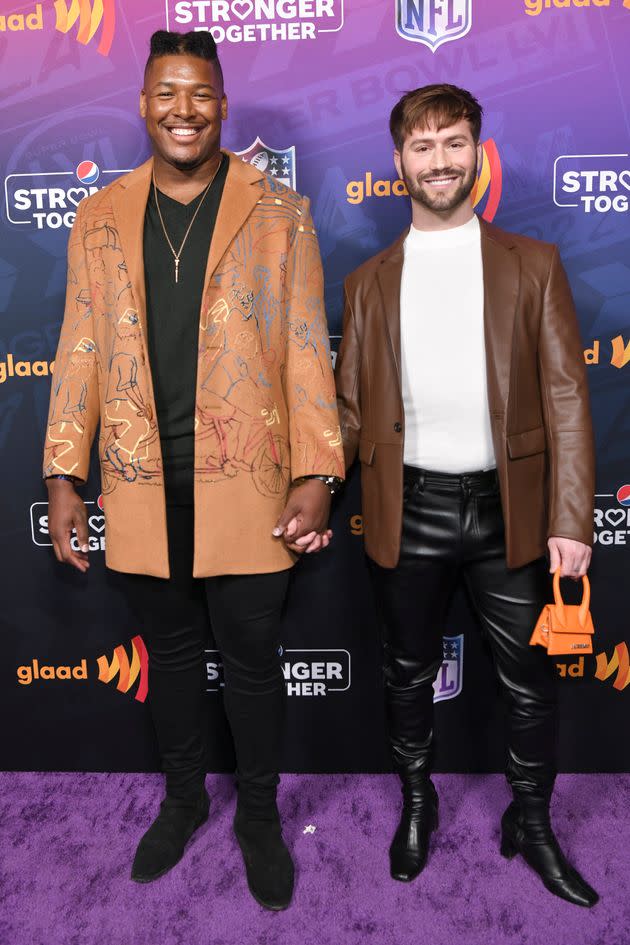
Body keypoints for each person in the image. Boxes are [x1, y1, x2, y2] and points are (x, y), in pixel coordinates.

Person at [43, 29, 343, 911]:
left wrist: (319, 467)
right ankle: (180, 803)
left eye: (201, 93)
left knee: (251, 664)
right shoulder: (98, 214)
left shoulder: (280, 211)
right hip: (138, 483)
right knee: (171, 661)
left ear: (224, 104)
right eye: (167, 92)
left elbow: (303, 350)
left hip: (248, 480)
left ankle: (257, 816)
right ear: (143, 103)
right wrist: (64, 472)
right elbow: (79, 347)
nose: (184, 108)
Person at [335, 84, 598, 907]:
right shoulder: (367, 281)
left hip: (506, 512)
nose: (438, 160)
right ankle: (418, 803)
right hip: (404, 511)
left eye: (453, 143)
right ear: (398, 162)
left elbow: (566, 402)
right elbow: (346, 412)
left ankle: (533, 820)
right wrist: (308, 491)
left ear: (476, 154)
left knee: (531, 683)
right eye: (422, 146)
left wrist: (569, 517)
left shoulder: (534, 264)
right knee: (407, 674)